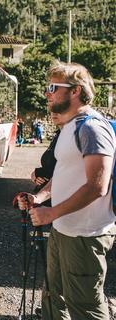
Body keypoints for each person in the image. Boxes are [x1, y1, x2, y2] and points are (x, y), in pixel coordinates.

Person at [17, 61, 116, 320]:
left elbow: (97, 186)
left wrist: (51, 214)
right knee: (53, 298)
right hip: (63, 229)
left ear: (75, 91)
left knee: (85, 308)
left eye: (53, 87)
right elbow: (63, 175)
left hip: (85, 235)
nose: (47, 93)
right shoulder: (69, 128)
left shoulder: (92, 128)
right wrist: (39, 197)